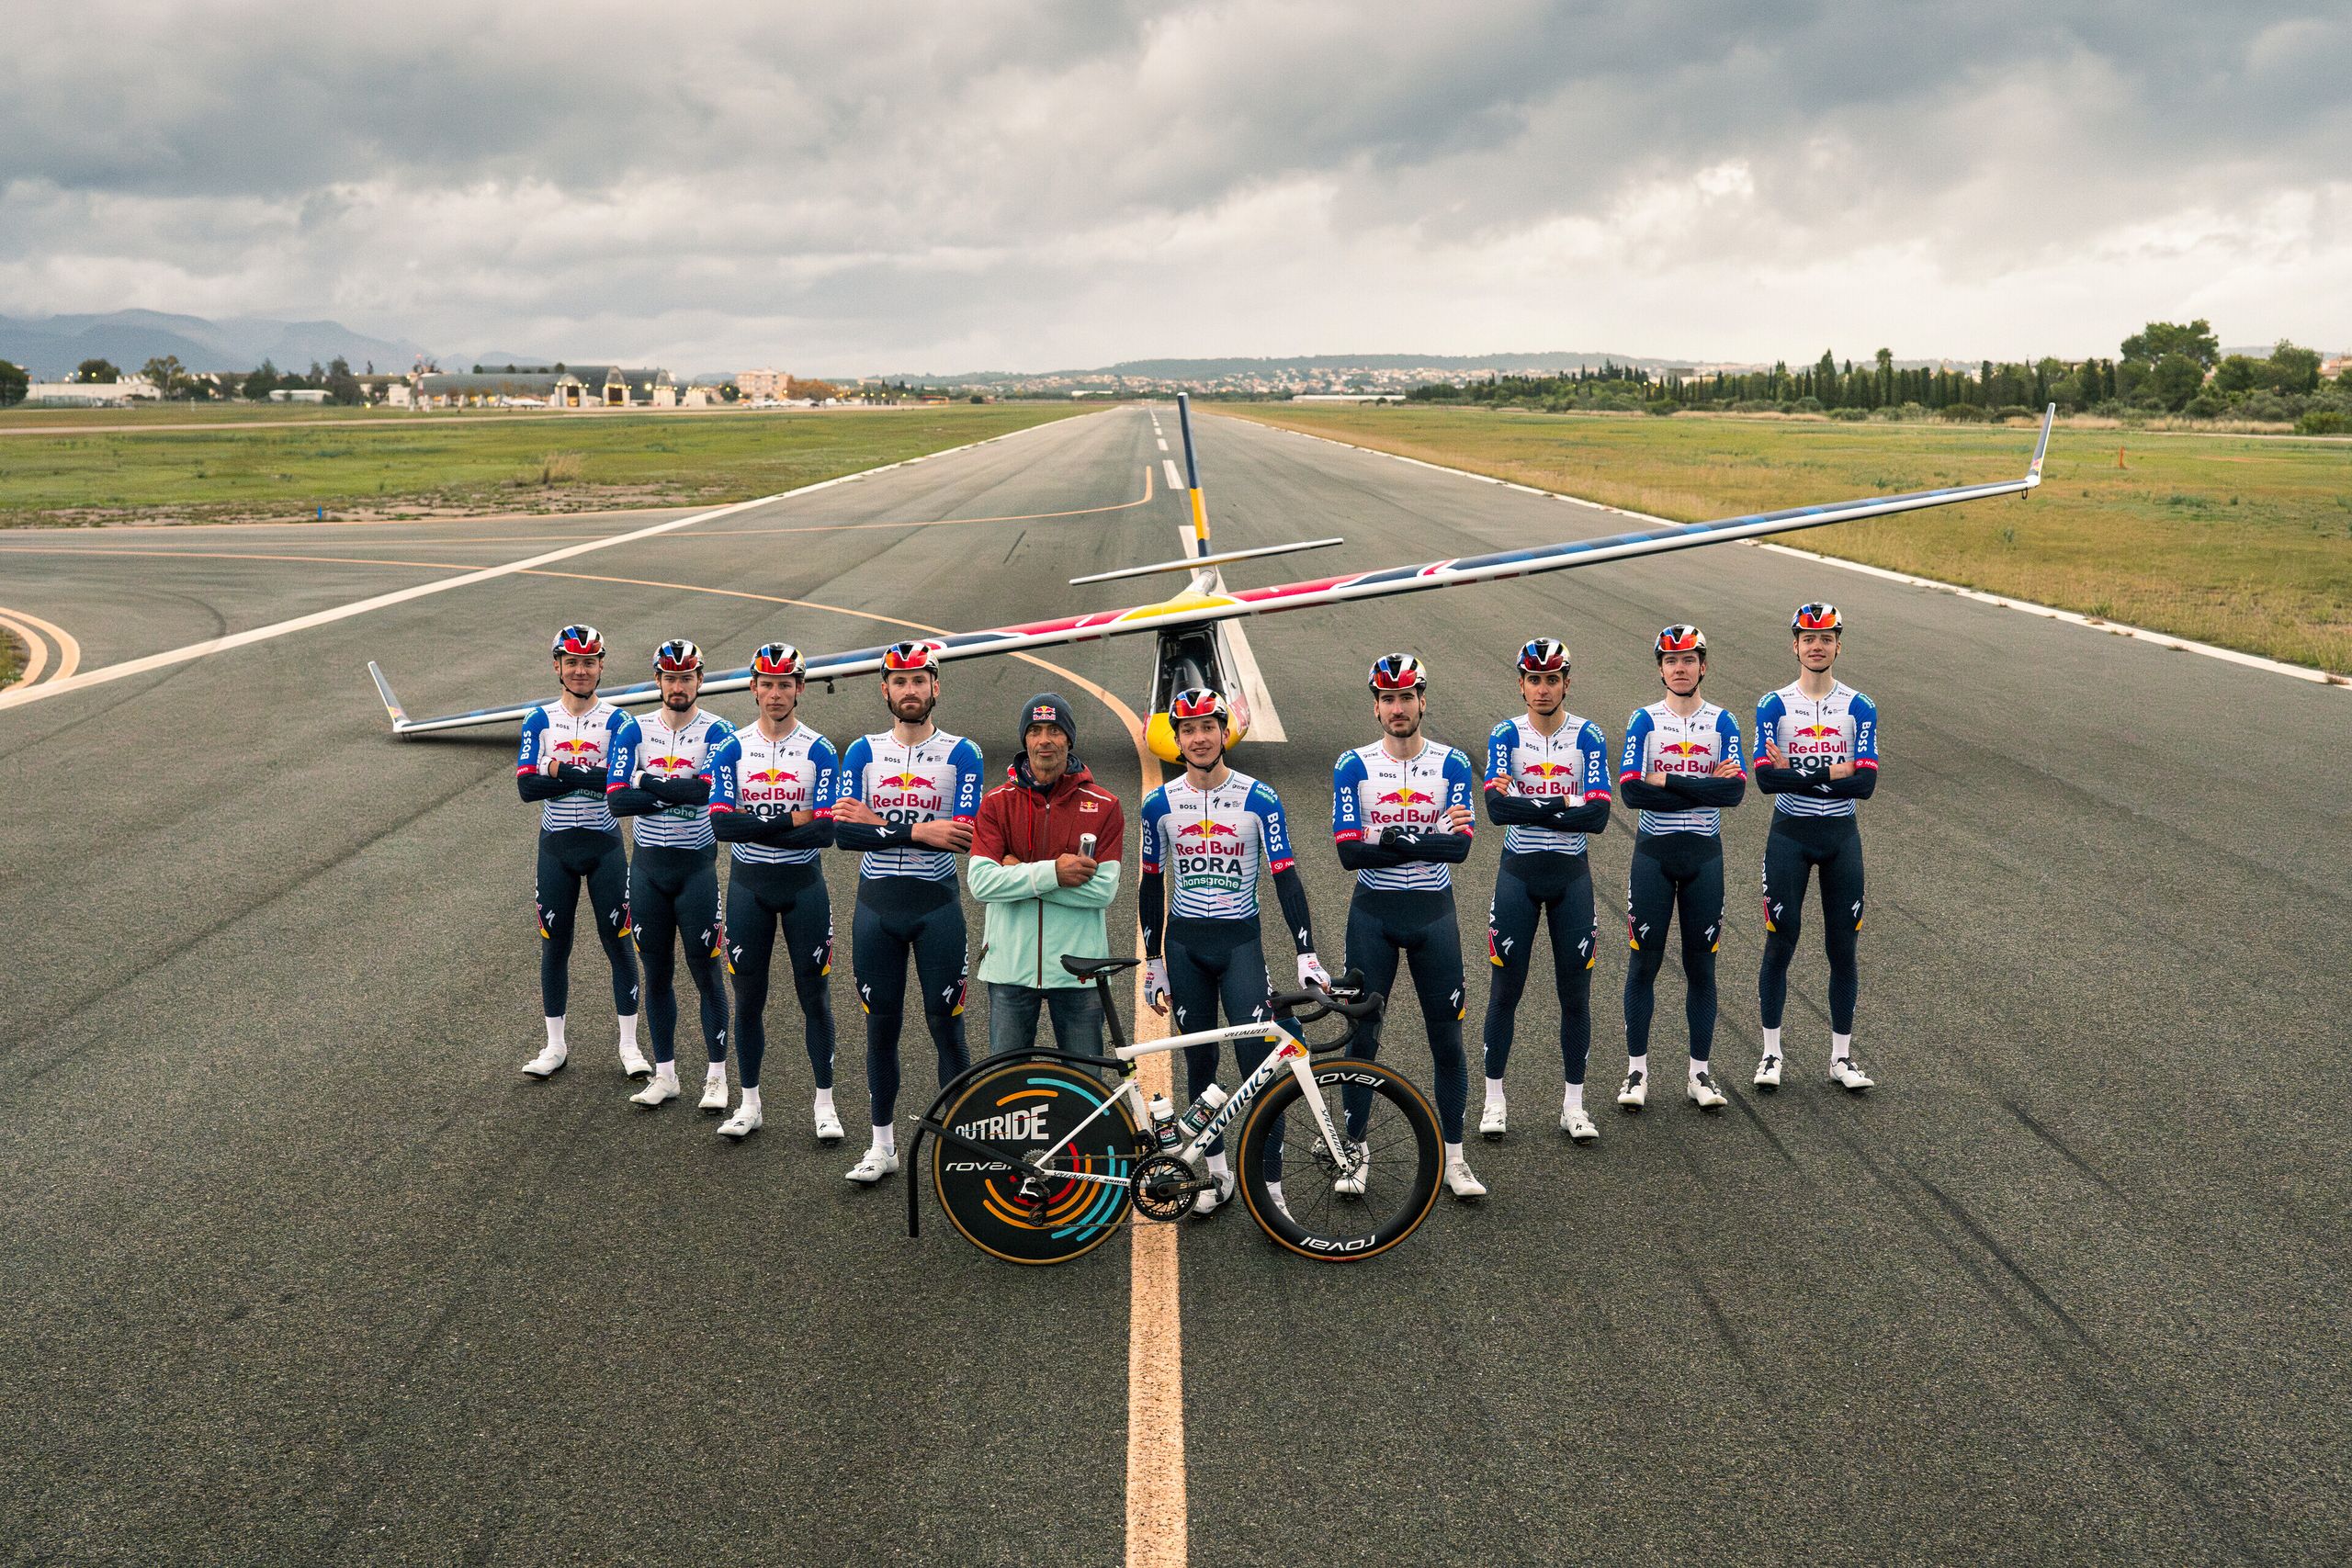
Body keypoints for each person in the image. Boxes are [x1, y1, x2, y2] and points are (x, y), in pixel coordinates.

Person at [1137, 688, 1330, 1216]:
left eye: (1208, 727)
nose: (1199, 738)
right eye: (1188, 730)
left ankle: (1272, 1190)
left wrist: (1306, 953)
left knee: (1260, 1063)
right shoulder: (1159, 804)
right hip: (1184, 946)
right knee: (1199, 1062)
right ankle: (1217, 1176)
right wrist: (1153, 961)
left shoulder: (1259, 798)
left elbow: (1286, 878)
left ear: (1225, 733)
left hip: (1240, 943)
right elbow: (1150, 885)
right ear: (1177, 740)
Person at [1330, 653, 1486, 1201]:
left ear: (1422, 701)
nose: (1398, 708)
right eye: (1387, 699)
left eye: (1406, 697)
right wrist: (1426, 838)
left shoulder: (1452, 763)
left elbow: (1460, 850)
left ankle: (1455, 1157)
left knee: (1447, 1039)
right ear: (1376, 708)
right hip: (1372, 915)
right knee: (1362, 1037)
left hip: (1432, 915)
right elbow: (1348, 855)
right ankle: (1354, 1150)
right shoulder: (1353, 765)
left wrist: (1391, 839)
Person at [828, 640, 984, 1185]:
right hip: (877, 908)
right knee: (881, 1029)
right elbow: (844, 835)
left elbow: (960, 836)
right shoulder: (862, 752)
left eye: (919, 680)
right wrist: (919, 830)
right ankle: (882, 1146)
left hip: (936, 906)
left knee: (947, 1027)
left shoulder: (963, 753)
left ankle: (965, 1145)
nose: (910, 690)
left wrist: (878, 822)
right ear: (885, 690)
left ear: (935, 686)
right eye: (899, 681)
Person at [1478, 637, 1612, 1144]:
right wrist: (1565, 802)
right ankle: (1494, 1100)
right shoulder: (1505, 734)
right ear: (1521, 684)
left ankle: (1573, 1105)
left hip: (1570, 877)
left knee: (1575, 996)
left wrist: (1531, 804)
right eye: (1534, 680)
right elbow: (1497, 810)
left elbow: (1598, 817)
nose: (1542, 689)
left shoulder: (1589, 735)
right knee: (1504, 993)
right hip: (1518, 874)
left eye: (1551, 680)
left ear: (1566, 684)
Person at [707, 642, 842, 1141]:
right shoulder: (731, 748)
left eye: (786, 684)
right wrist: (791, 819)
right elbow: (721, 827)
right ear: (754, 688)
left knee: (815, 997)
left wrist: (757, 824)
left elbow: (824, 832)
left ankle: (825, 1105)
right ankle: (749, 1104)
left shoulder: (820, 749)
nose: (776, 693)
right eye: (768, 684)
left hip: (804, 886)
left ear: (800, 689)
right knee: (748, 999)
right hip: (750, 887)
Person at [1616, 624, 1746, 1113]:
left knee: (1702, 968)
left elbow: (1734, 792)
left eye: (1688, 659)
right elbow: (1632, 792)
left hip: (1703, 857)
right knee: (1643, 965)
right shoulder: (1643, 720)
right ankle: (1636, 1072)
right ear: (1661, 669)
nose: (1680, 668)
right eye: (1671, 660)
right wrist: (1702, 785)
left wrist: (1665, 779)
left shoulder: (1724, 722)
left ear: (1703, 666)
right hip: (1654, 854)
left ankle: (1699, 1074)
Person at [1751, 603, 1879, 1093]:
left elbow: (1865, 785)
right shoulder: (1774, 704)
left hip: (1840, 837)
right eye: (1809, 638)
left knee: (1842, 947)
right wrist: (1835, 771)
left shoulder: (1860, 706)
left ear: (1838, 645)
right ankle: (1770, 1054)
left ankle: (1841, 1059)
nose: (1817, 646)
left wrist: (1799, 773)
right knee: (1780, 941)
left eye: (1826, 638)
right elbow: (1766, 780)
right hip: (1790, 833)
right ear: (1795, 645)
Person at [605, 639, 734, 1113]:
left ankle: (717, 1078)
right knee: (656, 974)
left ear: (700, 680)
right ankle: (666, 1075)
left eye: (686, 677)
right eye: (670, 677)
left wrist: (646, 781)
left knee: (706, 972)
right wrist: (675, 789)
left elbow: (707, 794)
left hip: (695, 868)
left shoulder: (720, 731)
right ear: (658, 680)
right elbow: (617, 800)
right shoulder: (633, 729)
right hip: (647, 870)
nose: (678, 686)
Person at [514, 625, 647, 1081]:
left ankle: (629, 1045)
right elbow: (527, 788)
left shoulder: (619, 722)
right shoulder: (538, 719)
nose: (580, 670)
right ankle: (554, 1045)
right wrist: (588, 775)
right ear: (557, 666)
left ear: (601, 666)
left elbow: (617, 785)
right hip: (556, 848)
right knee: (555, 944)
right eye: (571, 662)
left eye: (589, 662)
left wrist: (554, 768)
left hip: (604, 845)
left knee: (619, 942)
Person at [968, 694, 1125, 1057]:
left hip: (1079, 970)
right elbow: (981, 883)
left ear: (1069, 739)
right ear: (1024, 740)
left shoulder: (1105, 805)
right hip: (1009, 968)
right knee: (1006, 1081)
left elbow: (1102, 891)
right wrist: (1055, 872)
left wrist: (1017, 873)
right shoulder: (995, 803)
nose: (1044, 741)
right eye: (1035, 730)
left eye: (1054, 730)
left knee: (1085, 1082)